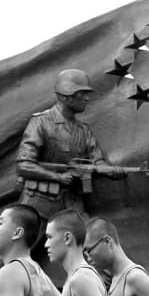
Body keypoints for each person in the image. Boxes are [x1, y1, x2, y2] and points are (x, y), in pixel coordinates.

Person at [17, 69, 123, 281]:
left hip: (72, 204)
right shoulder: (41, 123)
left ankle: (105, 286)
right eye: (81, 93)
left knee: (92, 239)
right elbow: (24, 165)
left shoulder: (83, 130)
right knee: (20, 255)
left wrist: (111, 171)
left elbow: (97, 161)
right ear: (66, 95)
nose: (87, 98)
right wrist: (58, 177)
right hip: (40, 204)